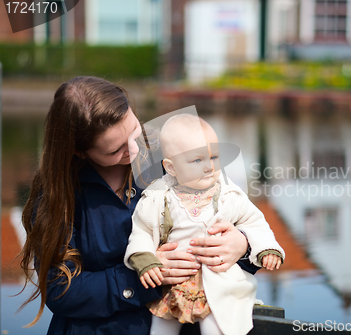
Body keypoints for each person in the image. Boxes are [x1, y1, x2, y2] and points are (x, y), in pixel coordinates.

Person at [19, 76, 255, 335]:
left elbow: (243, 219)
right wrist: (142, 277)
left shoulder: (174, 148)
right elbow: (60, 291)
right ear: (78, 151)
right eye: (115, 150)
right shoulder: (57, 194)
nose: (134, 149)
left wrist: (241, 245)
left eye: (134, 131)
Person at [124, 114, 285, 335]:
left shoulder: (229, 195)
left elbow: (254, 222)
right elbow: (141, 230)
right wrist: (144, 258)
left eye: (214, 157)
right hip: (173, 285)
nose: (209, 167)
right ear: (171, 168)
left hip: (217, 284)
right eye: (197, 160)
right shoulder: (158, 198)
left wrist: (265, 247)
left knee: (216, 326)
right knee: (161, 327)